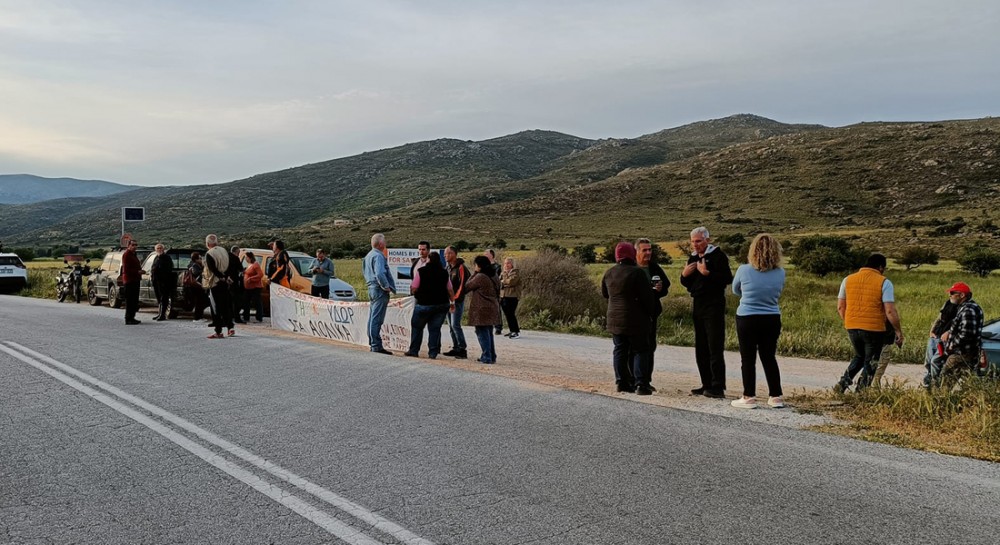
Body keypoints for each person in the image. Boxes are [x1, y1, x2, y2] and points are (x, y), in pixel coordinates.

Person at [730, 234, 786, 409]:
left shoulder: (743, 270)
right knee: (769, 357)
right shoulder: (780, 272)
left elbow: (735, 290)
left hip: (747, 317)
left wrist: (749, 295)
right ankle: (776, 396)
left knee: (748, 358)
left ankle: (749, 396)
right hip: (771, 317)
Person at [834, 253, 904, 393]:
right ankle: (861, 391)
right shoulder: (884, 282)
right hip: (874, 329)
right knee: (871, 361)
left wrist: (849, 321)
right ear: (880, 267)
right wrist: (898, 330)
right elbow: (890, 311)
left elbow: (841, 307)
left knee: (859, 356)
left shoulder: (847, 279)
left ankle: (842, 384)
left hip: (852, 326)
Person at [680, 226, 733, 398]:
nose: (695, 245)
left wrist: (707, 273)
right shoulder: (693, 258)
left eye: (698, 241)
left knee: (714, 346)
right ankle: (706, 383)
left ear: (707, 240)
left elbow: (727, 279)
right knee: (701, 346)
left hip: (714, 304)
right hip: (698, 304)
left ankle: (718, 386)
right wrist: (684, 275)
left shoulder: (718, 256)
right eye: (693, 241)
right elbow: (689, 284)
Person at [601, 242, 657, 394]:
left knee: (620, 350)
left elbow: (605, 294)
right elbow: (647, 297)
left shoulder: (609, 272)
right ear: (632, 254)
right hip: (636, 320)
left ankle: (621, 382)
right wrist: (650, 313)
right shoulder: (636, 273)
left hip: (614, 319)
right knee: (641, 350)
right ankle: (641, 384)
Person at [634, 238, 670, 390]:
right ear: (636, 251)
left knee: (650, 346)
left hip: (651, 313)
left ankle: (646, 381)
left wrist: (661, 289)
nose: (648, 253)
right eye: (645, 250)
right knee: (634, 348)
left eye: (650, 250)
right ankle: (632, 380)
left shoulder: (654, 267)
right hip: (634, 313)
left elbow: (666, 286)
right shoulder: (632, 268)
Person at [404, 251, 454, 359]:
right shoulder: (444, 272)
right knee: (435, 329)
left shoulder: (421, 271)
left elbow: (414, 287)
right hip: (441, 305)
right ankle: (433, 352)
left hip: (424, 304)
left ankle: (414, 350)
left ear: (429, 260)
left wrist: (415, 294)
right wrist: (452, 302)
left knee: (417, 327)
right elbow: (450, 289)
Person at [939, 282, 984, 390]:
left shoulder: (968, 310)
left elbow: (966, 334)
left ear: (962, 295)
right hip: (965, 353)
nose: (950, 295)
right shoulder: (968, 307)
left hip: (961, 353)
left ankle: (942, 404)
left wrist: (951, 345)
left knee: (945, 382)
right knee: (965, 385)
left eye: (953, 293)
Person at [362, 233, 396, 354]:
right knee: (377, 318)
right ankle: (376, 345)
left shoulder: (368, 256)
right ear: (381, 244)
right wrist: (386, 286)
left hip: (371, 288)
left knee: (372, 317)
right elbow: (380, 273)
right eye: (384, 241)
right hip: (379, 289)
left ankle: (372, 342)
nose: (385, 243)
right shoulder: (379, 256)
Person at [466, 255, 502, 364]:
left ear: (479, 266)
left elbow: (466, 287)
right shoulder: (494, 275)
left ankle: (487, 356)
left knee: (482, 332)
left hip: (481, 308)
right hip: (493, 306)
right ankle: (491, 355)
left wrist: (475, 273)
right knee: (489, 332)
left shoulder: (480, 276)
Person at [922, 296, 958, 388]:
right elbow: (939, 317)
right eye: (950, 293)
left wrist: (949, 333)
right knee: (928, 361)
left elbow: (959, 324)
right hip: (936, 335)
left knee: (936, 361)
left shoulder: (963, 307)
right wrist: (932, 330)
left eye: (953, 293)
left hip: (945, 339)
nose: (951, 295)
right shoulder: (948, 302)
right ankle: (928, 379)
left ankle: (936, 382)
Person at [203, 234, 235, 339]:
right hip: (225, 283)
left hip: (215, 283)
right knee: (226, 306)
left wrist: (221, 277)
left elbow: (213, 269)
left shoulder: (209, 254)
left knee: (216, 307)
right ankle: (230, 327)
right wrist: (227, 277)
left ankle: (218, 331)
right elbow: (230, 265)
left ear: (207, 244)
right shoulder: (224, 251)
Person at [443, 246, 471, 359]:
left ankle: (462, 348)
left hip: (457, 301)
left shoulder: (461, 268)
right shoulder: (447, 268)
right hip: (447, 301)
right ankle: (455, 347)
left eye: (448, 253)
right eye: (445, 254)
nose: (446, 255)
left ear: (454, 254)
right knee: (450, 325)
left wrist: (454, 299)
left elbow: (463, 285)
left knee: (455, 325)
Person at [150, 243, 175, 321]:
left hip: (164, 282)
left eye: (161, 248)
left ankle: (163, 315)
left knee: (164, 298)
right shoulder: (156, 258)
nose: (159, 250)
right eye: (158, 248)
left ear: (163, 249)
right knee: (159, 298)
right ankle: (159, 313)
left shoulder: (167, 258)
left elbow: (168, 269)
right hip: (156, 281)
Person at [121, 239, 144, 325]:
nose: (135, 247)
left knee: (134, 300)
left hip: (135, 279)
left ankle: (132, 317)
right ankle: (128, 318)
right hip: (129, 280)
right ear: (129, 246)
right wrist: (137, 272)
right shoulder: (127, 255)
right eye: (133, 245)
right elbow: (126, 269)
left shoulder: (134, 255)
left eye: (136, 245)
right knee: (130, 300)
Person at [499, 257, 521, 339]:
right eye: (505, 263)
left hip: (512, 296)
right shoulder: (503, 272)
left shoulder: (515, 272)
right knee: (507, 314)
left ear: (512, 264)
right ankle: (512, 330)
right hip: (503, 295)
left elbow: (511, 282)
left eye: (508, 263)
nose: (506, 265)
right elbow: (499, 282)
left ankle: (516, 331)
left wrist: (504, 282)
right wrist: (505, 282)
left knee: (511, 314)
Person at [185, 252, 208, 320]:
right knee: (199, 302)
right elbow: (197, 273)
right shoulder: (195, 265)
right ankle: (197, 317)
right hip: (196, 286)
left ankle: (199, 316)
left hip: (196, 286)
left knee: (200, 302)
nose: (201, 260)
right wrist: (204, 271)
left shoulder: (194, 264)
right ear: (196, 259)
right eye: (200, 258)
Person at [485, 249, 503, 334]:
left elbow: (496, 277)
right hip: (485, 290)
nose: (484, 255)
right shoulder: (484, 266)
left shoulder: (497, 266)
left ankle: (498, 327)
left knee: (496, 308)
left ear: (491, 255)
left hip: (494, 290)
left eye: (486, 254)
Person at [242, 251, 264, 323]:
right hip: (248, 287)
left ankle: (259, 317)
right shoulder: (249, 265)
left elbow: (260, 274)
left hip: (255, 287)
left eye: (246, 257)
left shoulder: (256, 265)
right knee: (246, 301)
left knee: (257, 302)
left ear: (250, 257)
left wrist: (251, 279)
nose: (245, 259)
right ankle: (246, 317)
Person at [229, 245, 246, 324]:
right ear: (236, 252)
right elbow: (240, 268)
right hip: (234, 281)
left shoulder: (226, 257)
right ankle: (236, 317)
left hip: (226, 281)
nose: (239, 254)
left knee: (229, 300)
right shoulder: (235, 259)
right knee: (237, 301)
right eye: (238, 253)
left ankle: (229, 316)